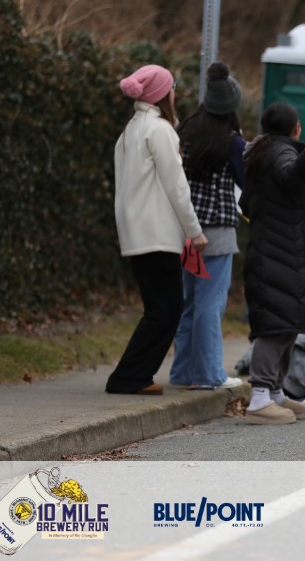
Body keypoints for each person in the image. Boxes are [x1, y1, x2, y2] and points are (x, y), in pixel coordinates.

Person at [239, 102, 305, 424]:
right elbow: (291, 177)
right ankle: (260, 398)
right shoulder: (281, 152)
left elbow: (255, 203)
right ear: (296, 128)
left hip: (281, 250)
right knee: (274, 326)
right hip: (277, 255)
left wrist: (301, 229)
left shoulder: (262, 152)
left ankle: (274, 392)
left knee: (288, 323)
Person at [108, 64, 207, 395]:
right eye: (173, 86)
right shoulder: (160, 130)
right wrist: (194, 231)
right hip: (157, 232)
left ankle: (132, 374)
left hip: (136, 231)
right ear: (163, 94)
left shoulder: (131, 129)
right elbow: (177, 186)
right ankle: (130, 377)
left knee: (159, 308)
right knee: (167, 309)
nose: (175, 91)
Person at [168, 62, 245, 390]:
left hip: (185, 231)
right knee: (211, 306)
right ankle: (209, 374)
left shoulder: (185, 131)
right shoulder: (232, 142)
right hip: (218, 234)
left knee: (189, 304)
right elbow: (245, 181)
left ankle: (182, 371)